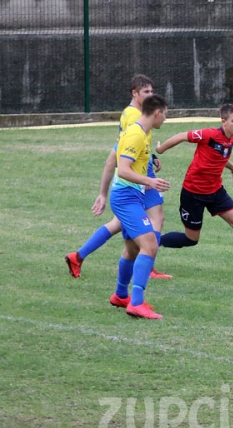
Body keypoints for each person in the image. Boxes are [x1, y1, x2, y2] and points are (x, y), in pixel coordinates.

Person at [66, 75, 170, 280]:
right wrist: (145, 178)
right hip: (136, 178)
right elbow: (119, 153)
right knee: (156, 217)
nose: (151, 95)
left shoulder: (133, 114)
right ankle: (147, 263)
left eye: (152, 91)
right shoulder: (134, 117)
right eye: (146, 92)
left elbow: (133, 148)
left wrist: (151, 158)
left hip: (137, 173)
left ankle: (78, 256)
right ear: (135, 93)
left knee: (121, 222)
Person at [155, 104, 233, 275]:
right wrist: (160, 149)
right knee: (191, 239)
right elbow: (182, 136)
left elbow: (220, 156)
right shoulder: (209, 134)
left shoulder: (231, 140)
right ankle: (152, 241)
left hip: (216, 192)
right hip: (193, 193)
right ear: (224, 121)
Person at [108, 94, 172, 320]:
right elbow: (124, 169)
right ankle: (136, 303)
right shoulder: (136, 135)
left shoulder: (140, 133)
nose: (165, 119)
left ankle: (120, 295)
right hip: (126, 197)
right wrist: (149, 181)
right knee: (150, 245)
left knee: (133, 249)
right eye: (165, 114)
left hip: (130, 196)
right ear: (157, 113)